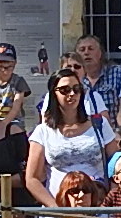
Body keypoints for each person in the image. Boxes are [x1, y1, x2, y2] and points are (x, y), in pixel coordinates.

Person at [26, 68, 111, 209]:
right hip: (57, 206)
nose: (72, 94)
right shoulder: (43, 131)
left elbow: (115, 164)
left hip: (97, 206)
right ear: (54, 93)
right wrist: (54, 208)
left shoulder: (100, 124)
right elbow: (31, 179)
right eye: (65, 90)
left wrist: (108, 201)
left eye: (76, 89)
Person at [74, 35, 121, 129]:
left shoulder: (118, 73)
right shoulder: (75, 79)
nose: (86, 53)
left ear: (100, 53)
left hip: (114, 134)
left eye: (91, 49)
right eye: (82, 49)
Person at [0, 44, 33, 128]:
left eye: (9, 66)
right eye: (0, 65)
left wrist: (3, 124)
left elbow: (16, 106)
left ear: (15, 63)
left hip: (15, 121)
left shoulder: (18, 81)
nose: (5, 69)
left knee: (14, 130)